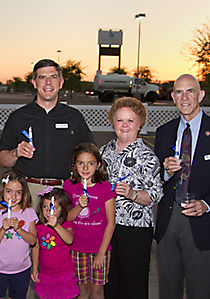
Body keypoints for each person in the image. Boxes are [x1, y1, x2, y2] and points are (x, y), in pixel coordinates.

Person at [154, 74, 210, 299]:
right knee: (168, 291)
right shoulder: (164, 132)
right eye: (178, 92)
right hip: (169, 221)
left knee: (200, 291)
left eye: (190, 91)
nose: (184, 97)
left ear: (201, 95)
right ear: (173, 96)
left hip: (203, 222)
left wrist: (206, 204)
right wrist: (165, 171)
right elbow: (154, 179)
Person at [0, 59, 94, 206]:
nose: (48, 83)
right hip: (27, 192)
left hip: (63, 191)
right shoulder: (18, 117)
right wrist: (16, 152)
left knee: (63, 230)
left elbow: (90, 155)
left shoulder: (74, 117)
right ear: (34, 83)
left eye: (53, 77)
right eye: (42, 77)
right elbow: (2, 161)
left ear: (61, 83)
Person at [99, 97, 163, 299]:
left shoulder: (148, 157)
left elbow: (155, 195)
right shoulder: (102, 153)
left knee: (133, 286)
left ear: (140, 123)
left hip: (135, 230)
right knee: (108, 284)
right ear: (112, 122)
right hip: (105, 227)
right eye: (120, 120)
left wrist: (132, 194)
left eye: (130, 120)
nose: (124, 125)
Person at [64, 143, 115, 299]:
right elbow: (67, 217)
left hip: (100, 249)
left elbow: (111, 222)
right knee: (82, 291)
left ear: (98, 165)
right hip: (77, 249)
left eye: (91, 163)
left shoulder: (105, 188)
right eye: (81, 163)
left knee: (97, 292)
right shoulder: (69, 186)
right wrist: (79, 206)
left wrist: (101, 253)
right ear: (75, 165)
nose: (85, 168)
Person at [0, 170, 37, 299]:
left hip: (22, 269)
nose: (13, 196)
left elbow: (33, 241)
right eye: (9, 191)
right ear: (2, 191)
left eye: (18, 192)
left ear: (24, 193)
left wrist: (19, 229)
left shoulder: (29, 213)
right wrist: (3, 229)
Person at [31, 187, 79, 299]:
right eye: (45, 207)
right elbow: (35, 248)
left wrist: (56, 225)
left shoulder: (66, 224)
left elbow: (69, 239)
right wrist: (34, 268)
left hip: (65, 274)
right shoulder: (39, 227)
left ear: (62, 209)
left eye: (54, 207)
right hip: (45, 274)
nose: (49, 211)